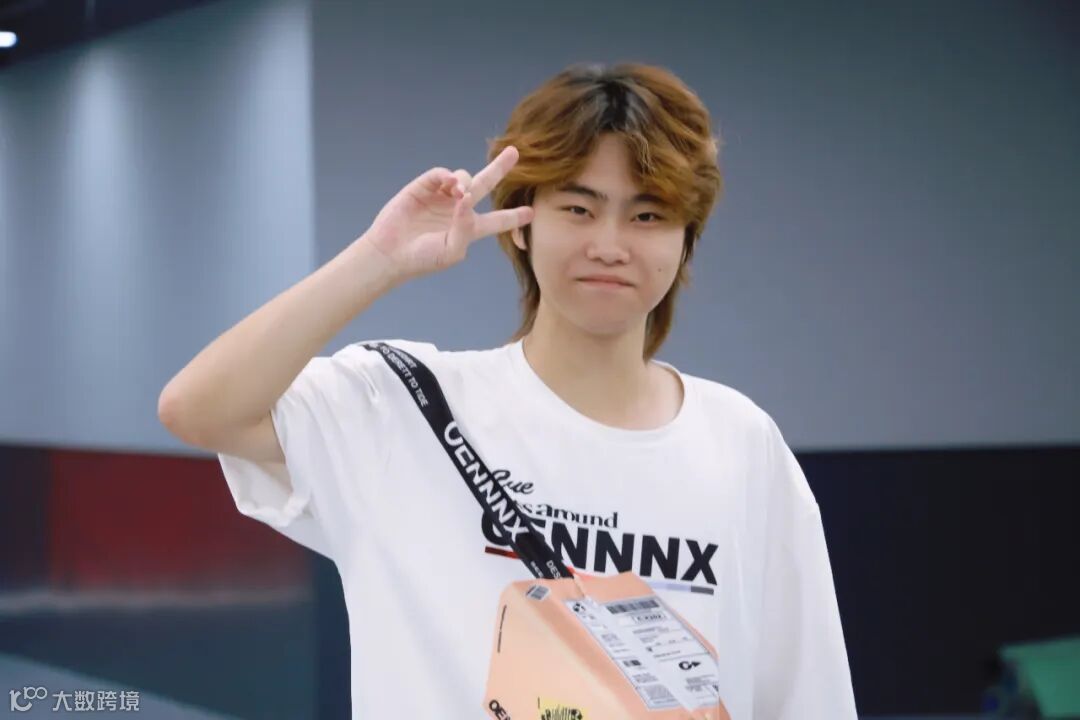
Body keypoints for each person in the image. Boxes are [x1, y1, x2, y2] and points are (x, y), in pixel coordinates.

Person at [158, 62, 857, 719]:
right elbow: (199, 410)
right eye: (578, 209)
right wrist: (378, 260)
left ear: (685, 240)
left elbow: (806, 697)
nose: (609, 244)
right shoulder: (407, 407)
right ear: (522, 223)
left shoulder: (741, 445)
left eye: (647, 216)